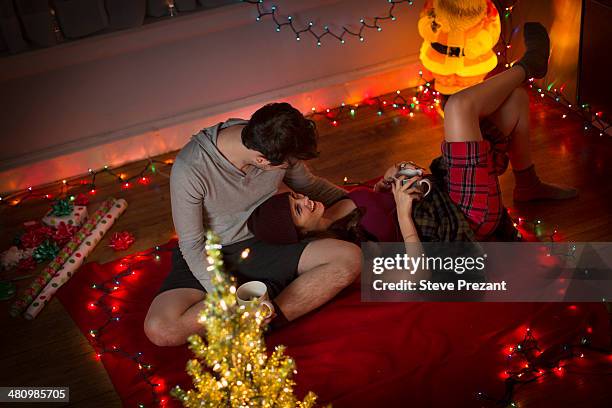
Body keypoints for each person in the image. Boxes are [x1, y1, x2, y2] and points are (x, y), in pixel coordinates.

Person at [248, 23, 569, 247]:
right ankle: (529, 65)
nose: (305, 199)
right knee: (458, 107)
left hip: (445, 191)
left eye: (295, 197)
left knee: (514, 101)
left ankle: (528, 184)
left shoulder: (334, 202)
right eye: (299, 209)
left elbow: (389, 193)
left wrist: (388, 180)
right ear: (301, 234)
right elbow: (416, 273)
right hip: (464, 215)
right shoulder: (349, 244)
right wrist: (402, 210)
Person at [144, 103, 361, 346]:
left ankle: (265, 319)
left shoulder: (278, 140)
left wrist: (363, 197)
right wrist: (231, 295)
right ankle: (263, 299)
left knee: (351, 258)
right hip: (211, 254)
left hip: (267, 243)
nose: (290, 167)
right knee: (161, 329)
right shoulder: (191, 169)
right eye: (286, 165)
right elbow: (192, 245)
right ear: (262, 160)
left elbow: (309, 184)